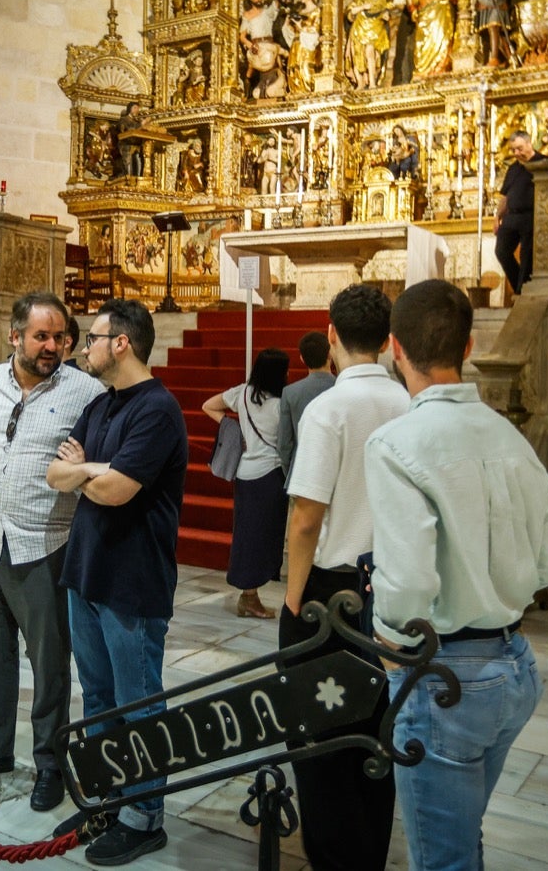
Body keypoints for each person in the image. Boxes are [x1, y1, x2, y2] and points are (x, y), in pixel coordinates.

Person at [365, 279, 548, 871]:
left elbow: (407, 578)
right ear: (470, 345)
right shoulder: (510, 436)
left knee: (442, 860)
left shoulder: (396, 442)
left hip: (444, 677)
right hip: (514, 665)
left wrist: (390, 647)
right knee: (462, 840)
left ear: (394, 348)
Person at [0, 294, 103, 813]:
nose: (52, 346)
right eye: (41, 337)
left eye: (60, 338)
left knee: (49, 661)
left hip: (44, 544)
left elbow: (97, 464)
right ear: (15, 336)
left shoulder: (86, 392)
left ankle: (51, 760)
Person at [47, 299, 188, 865]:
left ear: (122, 342)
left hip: (132, 579)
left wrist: (92, 473)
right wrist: (93, 471)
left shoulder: (157, 409)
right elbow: (57, 474)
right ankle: (110, 792)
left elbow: (118, 491)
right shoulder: (102, 405)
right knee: (101, 698)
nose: (85, 348)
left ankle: (145, 813)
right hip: (86, 570)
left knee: (138, 700)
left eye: (93, 338)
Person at [280, 285, 408, 871]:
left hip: (330, 596)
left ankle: (332, 856)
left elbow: (307, 517)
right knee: (374, 731)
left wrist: (290, 600)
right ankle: (370, 852)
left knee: (318, 734)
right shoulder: (409, 401)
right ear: (387, 341)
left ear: (331, 334)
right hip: (392, 586)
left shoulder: (328, 408)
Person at [202, 348, 290, 619]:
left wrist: (233, 428)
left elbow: (208, 405)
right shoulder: (280, 404)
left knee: (246, 534)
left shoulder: (241, 393)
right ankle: (249, 597)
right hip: (270, 475)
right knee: (264, 537)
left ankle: (249, 594)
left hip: (244, 474)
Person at [276, 331, 333, 487]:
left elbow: (284, 444)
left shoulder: (290, 392)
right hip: (336, 474)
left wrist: (290, 471)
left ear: (302, 359)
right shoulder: (342, 387)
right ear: (330, 355)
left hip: (302, 473)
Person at [494, 131, 538, 294]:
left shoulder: (542, 162)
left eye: (519, 148)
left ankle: (522, 291)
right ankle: (520, 286)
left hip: (531, 216)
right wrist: (497, 216)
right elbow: (505, 196)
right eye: (513, 150)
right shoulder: (513, 168)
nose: (516, 153)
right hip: (511, 216)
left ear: (529, 143)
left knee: (527, 257)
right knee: (501, 251)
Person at [410, 0, 456, 78]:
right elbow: (413, 6)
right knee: (421, 45)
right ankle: (424, 71)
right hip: (424, 20)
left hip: (439, 14)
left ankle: (440, 68)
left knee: (441, 39)